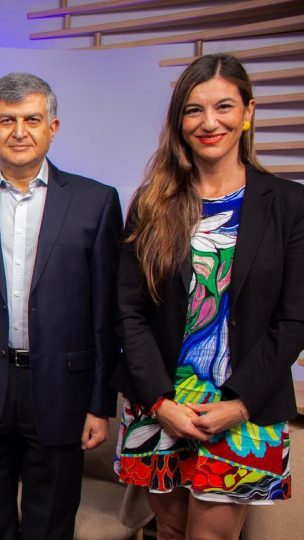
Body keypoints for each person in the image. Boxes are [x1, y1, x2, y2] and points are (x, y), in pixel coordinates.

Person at [113, 53, 303, 539]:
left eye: (223, 106)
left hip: (245, 407)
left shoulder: (289, 204)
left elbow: (294, 320)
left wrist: (238, 404)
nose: (209, 122)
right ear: (179, 122)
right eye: (193, 110)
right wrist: (160, 402)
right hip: (162, 403)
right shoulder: (153, 204)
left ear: (248, 112)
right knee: (170, 531)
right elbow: (129, 312)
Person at [0, 72, 123, 539]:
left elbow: (106, 314)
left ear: (52, 127)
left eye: (32, 120)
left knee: (51, 528)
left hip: (63, 392)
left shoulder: (96, 202)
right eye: (7, 120)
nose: (19, 131)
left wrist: (100, 403)